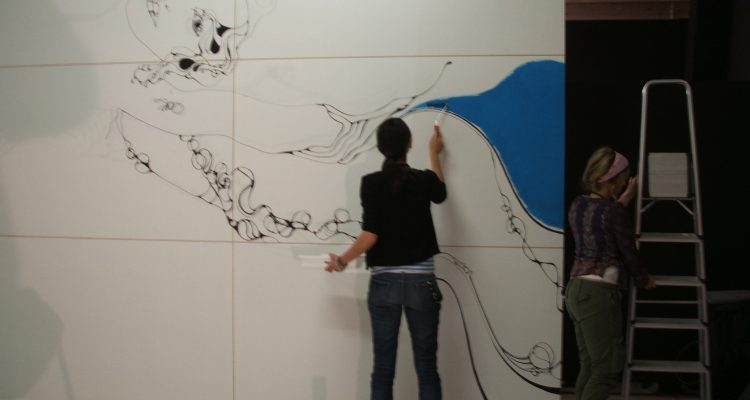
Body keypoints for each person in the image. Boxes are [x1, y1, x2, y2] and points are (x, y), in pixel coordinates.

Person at [325, 117, 447, 400]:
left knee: (382, 370)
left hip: (384, 285)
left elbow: (370, 235)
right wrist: (434, 153)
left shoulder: (371, 183)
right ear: (409, 144)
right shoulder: (424, 180)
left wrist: (341, 261)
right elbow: (440, 194)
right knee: (427, 370)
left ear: (380, 147)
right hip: (422, 284)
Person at [565, 146, 656, 400]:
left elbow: (601, 220)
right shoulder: (613, 212)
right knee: (605, 370)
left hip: (576, 290)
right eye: (623, 178)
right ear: (613, 180)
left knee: (589, 367)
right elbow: (628, 253)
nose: (625, 182)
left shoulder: (578, 204)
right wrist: (644, 279)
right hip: (598, 294)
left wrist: (623, 199)